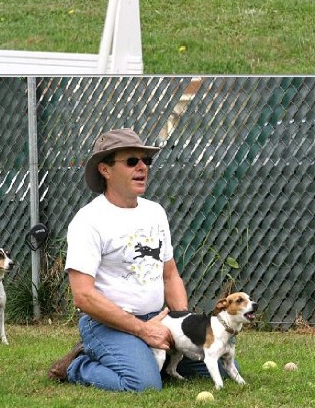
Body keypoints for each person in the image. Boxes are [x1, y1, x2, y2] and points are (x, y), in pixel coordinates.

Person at [46, 128, 206, 392]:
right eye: (132, 161)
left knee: (214, 368)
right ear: (105, 170)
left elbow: (170, 275)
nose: (143, 166)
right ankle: (78, 364)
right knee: (142, 385)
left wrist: (180, 324)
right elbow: (83, 296)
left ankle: (147, 357)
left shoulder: (155, 212)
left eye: (146, 161)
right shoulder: (89, 220)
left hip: (159, 318)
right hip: (109, 325)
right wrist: (142, 330)